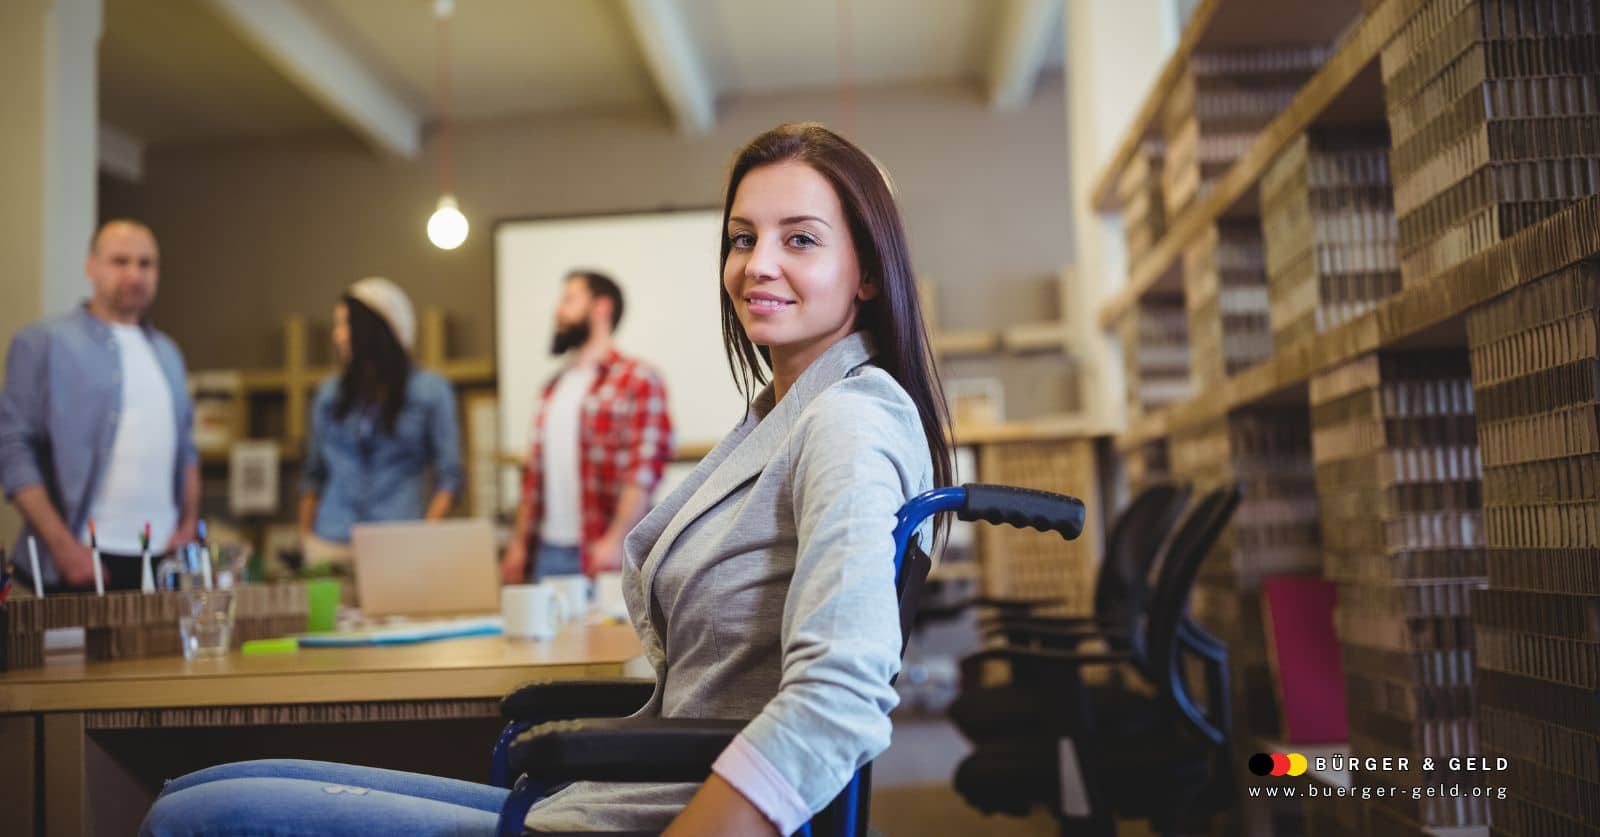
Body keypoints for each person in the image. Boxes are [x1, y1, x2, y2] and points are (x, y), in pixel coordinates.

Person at [141, 122, 954, 836]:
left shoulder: (849, 419)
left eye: (800, 239)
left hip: (668, 812)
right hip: (624, 793)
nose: (755, 265)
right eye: (742, 238)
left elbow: (841, 693)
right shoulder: (779, 414)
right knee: (201, 784)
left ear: (868, 272)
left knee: (188, 817)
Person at [0, 219, 199, 592]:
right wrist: (63, 546)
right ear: (91, 266)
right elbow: (12, 449)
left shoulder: (168, 352)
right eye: (119, 261)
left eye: (145, 263)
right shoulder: (43, 343)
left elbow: (187, 449)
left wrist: (188, 525)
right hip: (79, 559)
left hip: (162, 560)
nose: (134, 274)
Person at [499, 270, 674, 583]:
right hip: (547, 552)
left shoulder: (638, 379)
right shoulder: (552, 387)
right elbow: (533, 478)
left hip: (601, 553)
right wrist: (518, 545)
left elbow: (642, 472)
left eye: (568, 300)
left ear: (600, 307)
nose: (558, 311)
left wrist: (616, 540)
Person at [298, 277, 463, 565]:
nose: (337, 336)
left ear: (374, 329)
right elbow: (314, 474)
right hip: (331, 540)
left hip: (399, 541)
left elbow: (449, 476)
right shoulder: (329, 393)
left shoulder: (430, 390)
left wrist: (426, 536)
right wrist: (305, 538)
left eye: (345, 325)